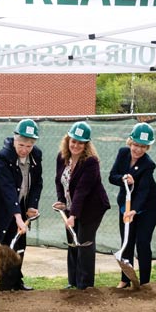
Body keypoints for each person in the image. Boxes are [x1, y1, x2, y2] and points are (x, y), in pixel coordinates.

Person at [54, 121, 110, 290]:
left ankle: (85, 285)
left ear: (86, 144)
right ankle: (73, 282)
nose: (76, 145)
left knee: (84, 243)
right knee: (72, 242)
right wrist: (62, 203)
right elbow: (59, 181)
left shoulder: (91, 162)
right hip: (72, 207)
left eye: (80, 142)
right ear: (68, 140)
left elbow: (82, 190)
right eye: (73, 141)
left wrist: (72, 215)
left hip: (92, 208)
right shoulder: (62, 157)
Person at [0, 119, 43, 291]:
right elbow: (7, 190)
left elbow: (37, 183)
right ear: (14, 139)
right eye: (21, 145)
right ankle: (5, 287)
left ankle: (17, 283)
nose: (24, 150)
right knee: (9, 248)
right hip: (4, 209)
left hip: (22, 206)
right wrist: (18, 217)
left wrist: (32, 205)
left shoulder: (36, 156)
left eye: (29, 146)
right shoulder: (3, 157)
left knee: (20, 246)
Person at [108, 123, 156, 288]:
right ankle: (125, 279)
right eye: (136, 144)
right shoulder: (123, 153)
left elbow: (144, 191)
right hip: (126, 204)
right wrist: (124, 177)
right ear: (130, 141)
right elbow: (112, 176)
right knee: (127, 241)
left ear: (147, 147)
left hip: (148, 207)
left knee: (143, 242)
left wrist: (134, 210)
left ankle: (144, 283)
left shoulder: (148, 164)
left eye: (143, 147)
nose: (138, 149)